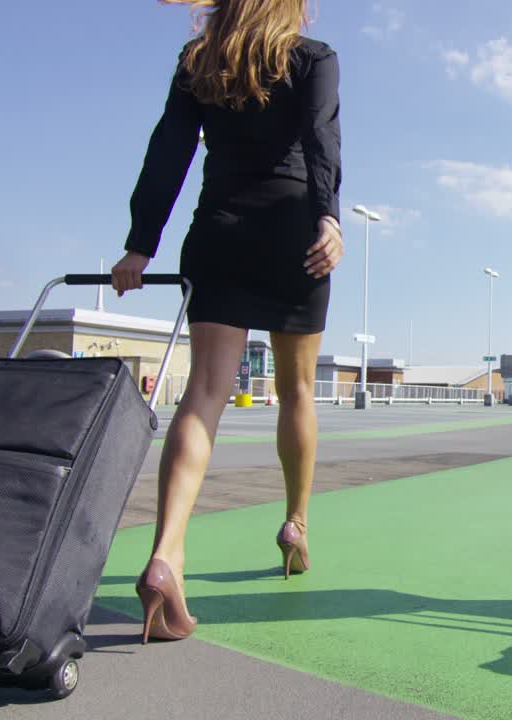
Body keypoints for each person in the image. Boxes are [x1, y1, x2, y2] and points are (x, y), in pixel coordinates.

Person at [110, 0, 343, 643]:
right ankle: (296, 522)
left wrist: (140, 242)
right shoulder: (313, 59)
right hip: (297, 236)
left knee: (204, 393)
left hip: (220, 233)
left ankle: (166, 557)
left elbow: (170, 150)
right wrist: (330, 218)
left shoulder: (198, 62)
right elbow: (323, 139)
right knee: (295, 390)